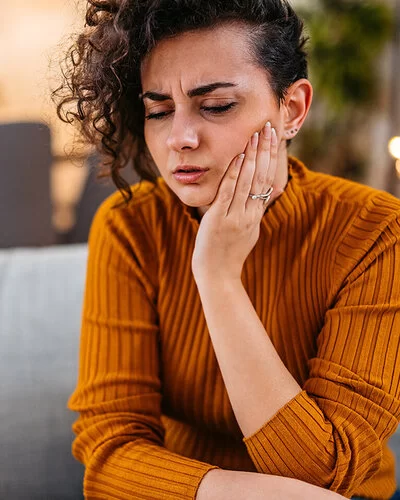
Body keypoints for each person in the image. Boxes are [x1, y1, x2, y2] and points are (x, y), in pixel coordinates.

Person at [55, 0, 400, 498]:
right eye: (158, 110)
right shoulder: (131, 228)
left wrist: (219, 278)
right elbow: (109, 456)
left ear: (292, 108)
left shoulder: (375, 232)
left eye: (216, 106)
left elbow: (328, 474)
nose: (180, 138)